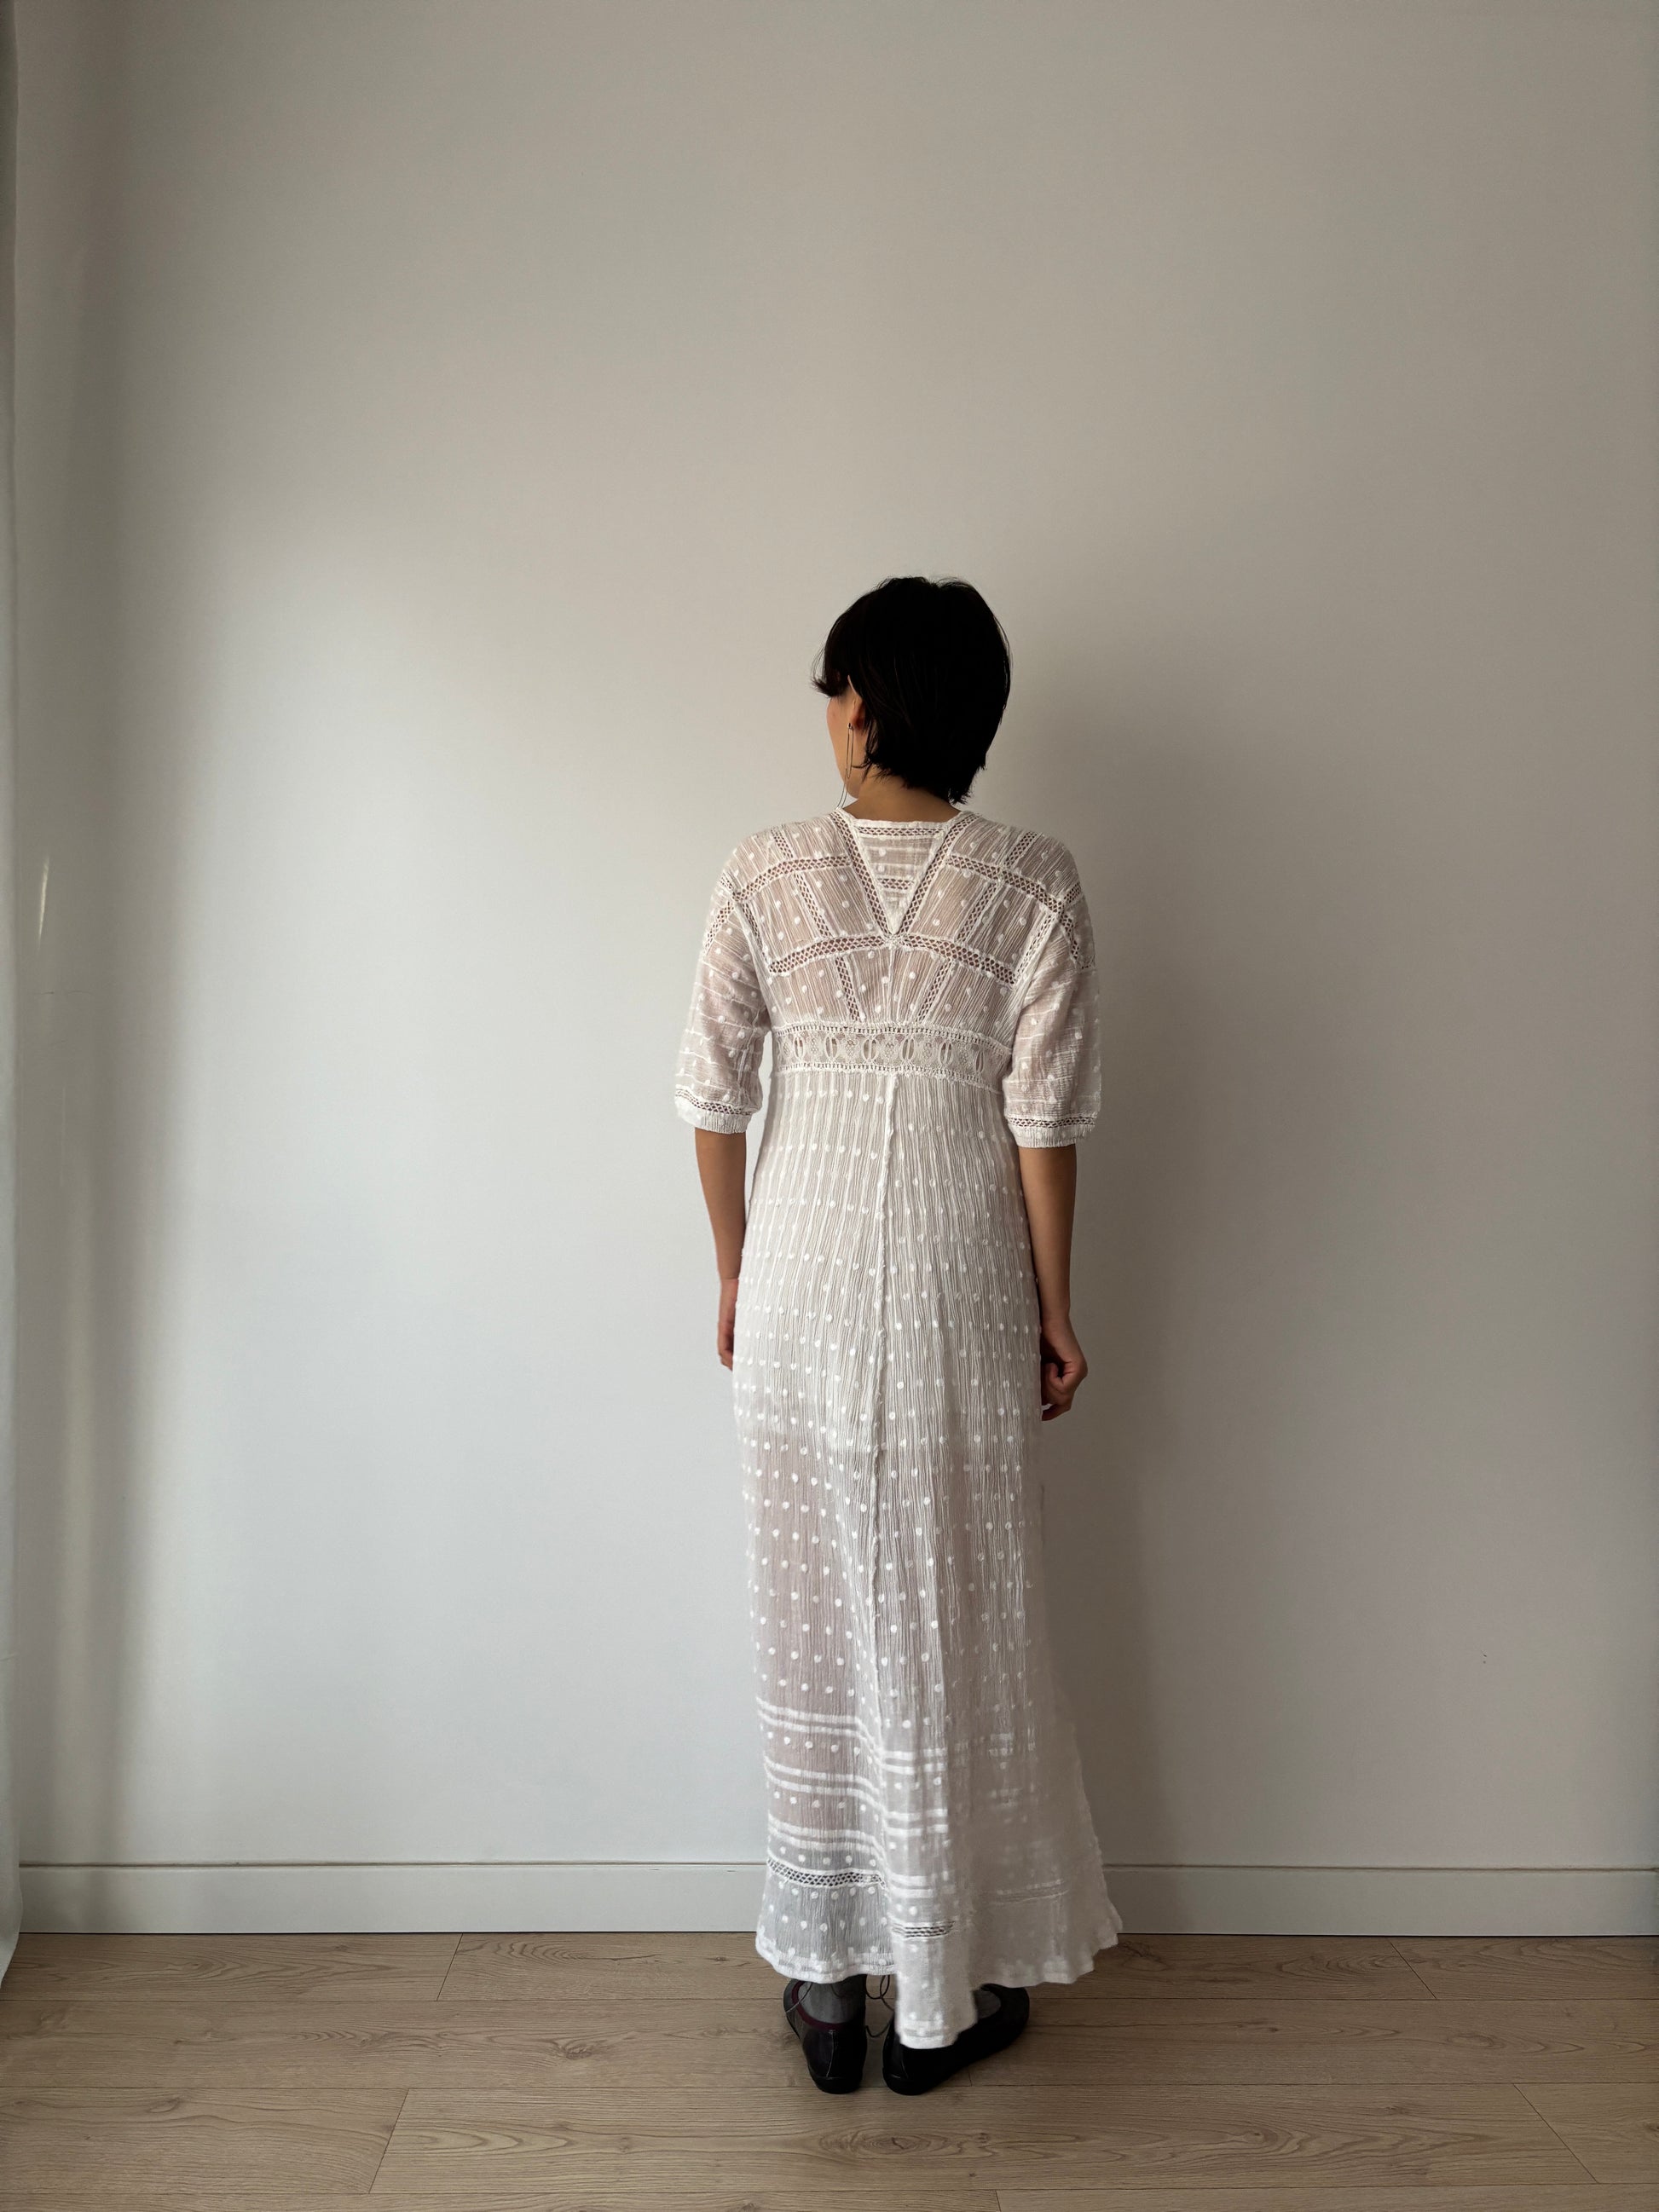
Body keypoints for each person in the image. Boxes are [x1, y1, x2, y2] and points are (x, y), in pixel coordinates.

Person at [673, 575, 1122, 2095]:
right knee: (952, 1615)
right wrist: (1054, 1307)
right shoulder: (1034, 880)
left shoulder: (763, 869)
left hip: (799, 1284)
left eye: (833, 692)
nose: (829, 716)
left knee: (811, 1611)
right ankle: (941, 1997)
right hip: (956, 1284)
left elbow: (711, 1096)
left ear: (863, 707)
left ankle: (824, 1988)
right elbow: (1043, 1121)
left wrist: (735, 1272)